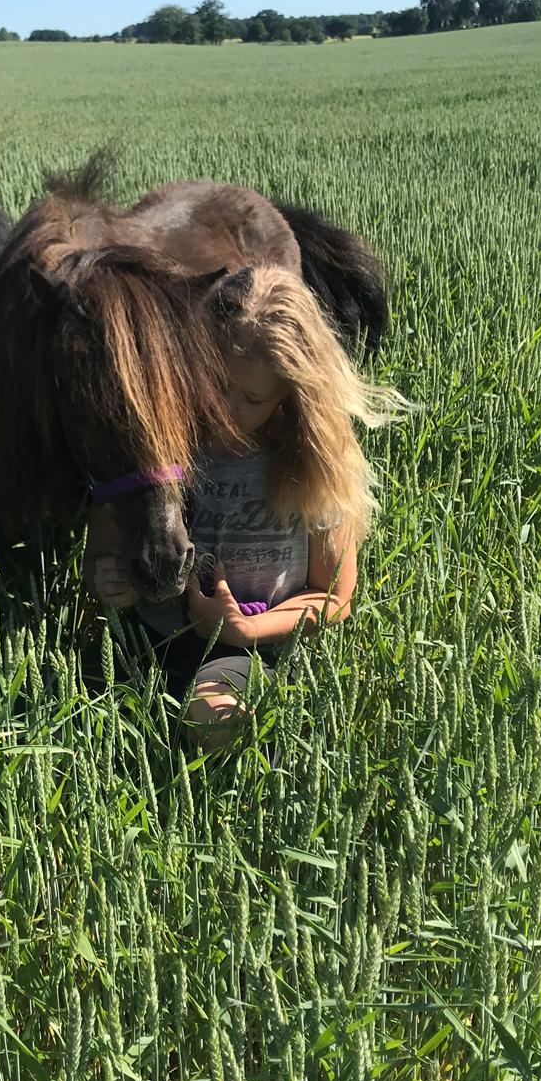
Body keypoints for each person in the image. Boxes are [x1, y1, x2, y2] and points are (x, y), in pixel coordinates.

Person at [84, 264, 406, 744]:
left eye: (251, 399)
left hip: (248, 650)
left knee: (211, 719)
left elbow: (334, 597)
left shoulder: (315, 465)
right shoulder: (157, 439)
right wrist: (108, 580)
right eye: (215, 383)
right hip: (146, 638)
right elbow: (99, 551)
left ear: (290, 396)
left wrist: (243, 631)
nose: (223, 409)